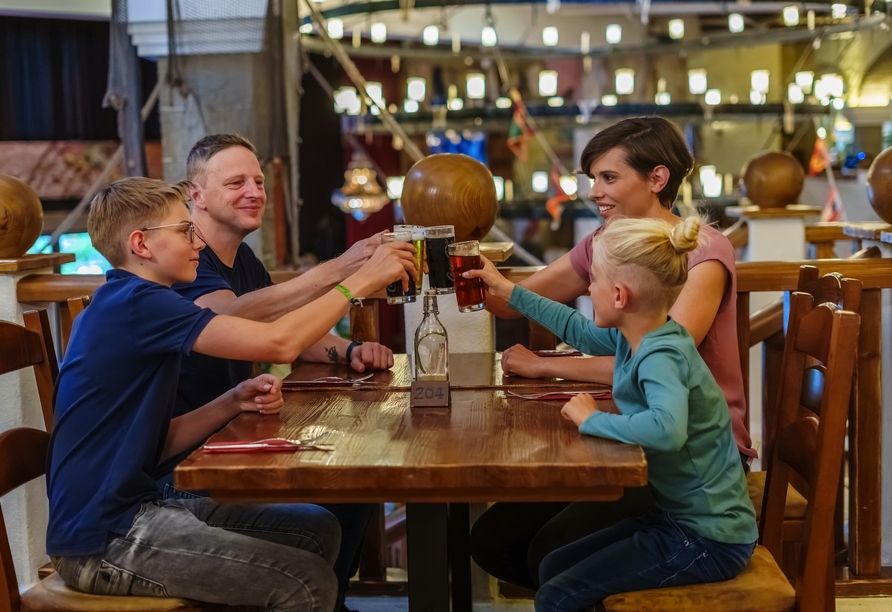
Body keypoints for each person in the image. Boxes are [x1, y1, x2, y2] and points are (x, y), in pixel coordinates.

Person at [47, 177, 417, 611]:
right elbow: (280, 344)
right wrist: (360, 279)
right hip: (104, 539)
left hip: (133, 511)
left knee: (318, 528)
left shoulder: (137, 301)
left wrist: (231, 401)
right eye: (184, 231)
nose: (197, 243)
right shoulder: (137, 303)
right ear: (141, 245)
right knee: (307, 582)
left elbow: (154, 441)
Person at [469, 116, 756, 590]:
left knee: (549, 552)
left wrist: (545, 366)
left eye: (608, 177)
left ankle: (589, 591)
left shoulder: (704, 251)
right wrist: (478, 272)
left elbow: (657, 359)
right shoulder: (607, 244)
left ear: (657, 178)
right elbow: (507, 303)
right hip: (635, 433)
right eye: (592, 179)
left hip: (696, 456)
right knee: (496, 538)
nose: (594, 192)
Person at [153, 134, 389, 610]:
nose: (254, 191)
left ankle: (328, 602)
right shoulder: (183, 264)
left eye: (258, 181)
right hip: (177, 471)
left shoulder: (240, 257)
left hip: (233, 442)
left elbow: (281, 326)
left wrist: (351, 350)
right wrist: (343, 268)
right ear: (195, 196)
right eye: (236, 182)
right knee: (340, 494)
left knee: (359, 486)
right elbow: (238, 319)